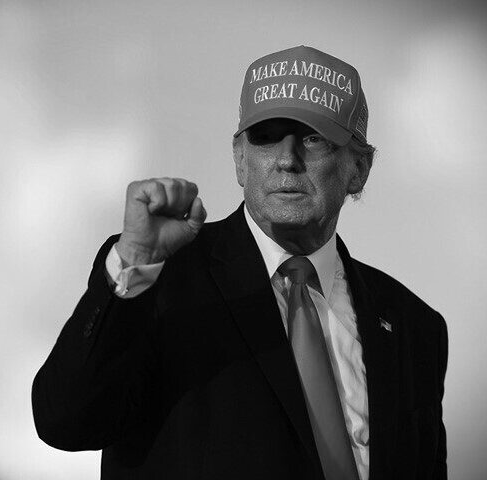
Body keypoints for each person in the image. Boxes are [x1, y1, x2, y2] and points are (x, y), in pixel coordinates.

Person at [32, 45, 448, 480]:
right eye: (266, 137)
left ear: (359, 168)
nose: (287, 160)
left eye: (312, 137)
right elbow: (66, 420)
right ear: (239, 159)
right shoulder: (160, 276)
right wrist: (135, 262)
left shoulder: (414, 326)